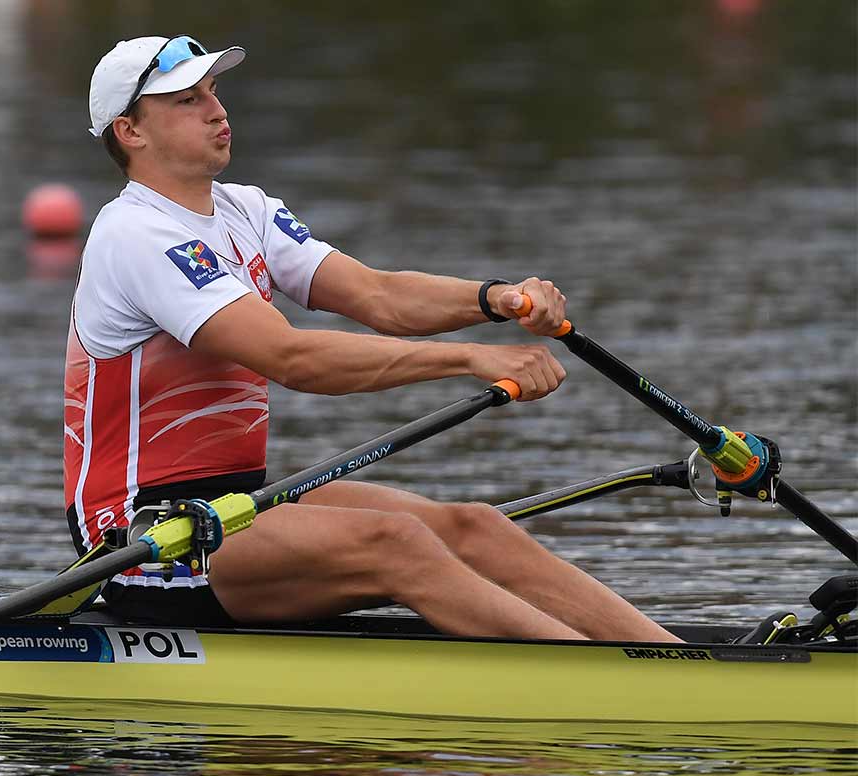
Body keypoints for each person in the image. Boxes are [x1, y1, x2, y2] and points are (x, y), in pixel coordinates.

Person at [64, 35, 678, 643]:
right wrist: (468, 357)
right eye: (187, 100)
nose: (217, 110)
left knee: (474, 527)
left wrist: (498, 299)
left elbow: (379, 295)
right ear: (131, 131)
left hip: (236, 502)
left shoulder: (244, 210)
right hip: (141, 535)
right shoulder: (136, 233)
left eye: (213, 92)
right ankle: (607, 682)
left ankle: (672, 661)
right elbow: (292, 357)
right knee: (399, 541)